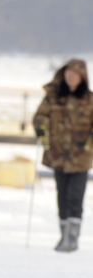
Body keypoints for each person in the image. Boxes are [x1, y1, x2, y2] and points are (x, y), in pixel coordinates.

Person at [33, 59, 93, 252]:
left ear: (82, 77)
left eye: (74, 74)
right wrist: (41, 130)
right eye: (68, 73)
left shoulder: (90, 99)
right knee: (62, 197)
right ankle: (63, 236)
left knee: (76, 196)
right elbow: (40, 116)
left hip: (80, 158)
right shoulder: (53, 97)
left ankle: (72, 238)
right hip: (58, 156)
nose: (70, 76)